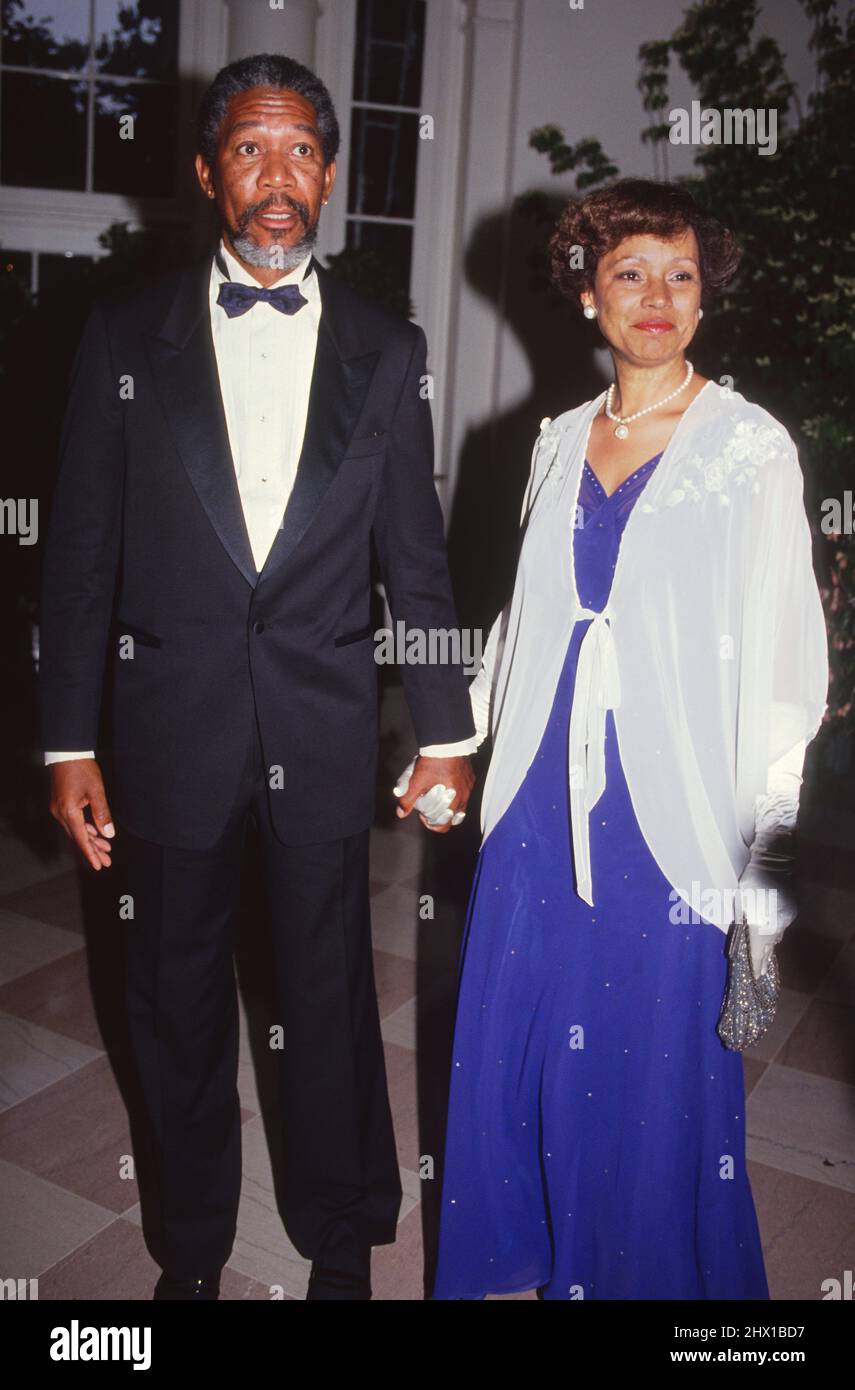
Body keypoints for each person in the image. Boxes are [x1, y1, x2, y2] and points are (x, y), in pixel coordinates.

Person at [39, 53, 479, 1301]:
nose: (275, 180)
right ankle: (189, 1248)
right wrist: (68, 737)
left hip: (327, 734)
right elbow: (78, 553)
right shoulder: (127, 335)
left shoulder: (390, 349)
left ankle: (341, 1240)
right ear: (206, 171)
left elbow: (419, 559)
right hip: (166, 732)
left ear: (331, 174)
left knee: (330, 1000)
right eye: (248, 150)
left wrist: (444, 729)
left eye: (299, 153)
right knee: (174, 1006)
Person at [417, 179, 829, 1300]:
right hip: (541, 794)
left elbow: (788, 669)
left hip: (670, 802)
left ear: (707, 298)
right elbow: (526, 620)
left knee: (650, 1067)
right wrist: (453, 740)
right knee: (527, 1033)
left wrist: (765, 872)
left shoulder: (751, 448)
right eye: (631, 273)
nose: (657, 297)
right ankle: (522, 1253)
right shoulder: (554, 438)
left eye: (681, 275)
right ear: (588, 292)